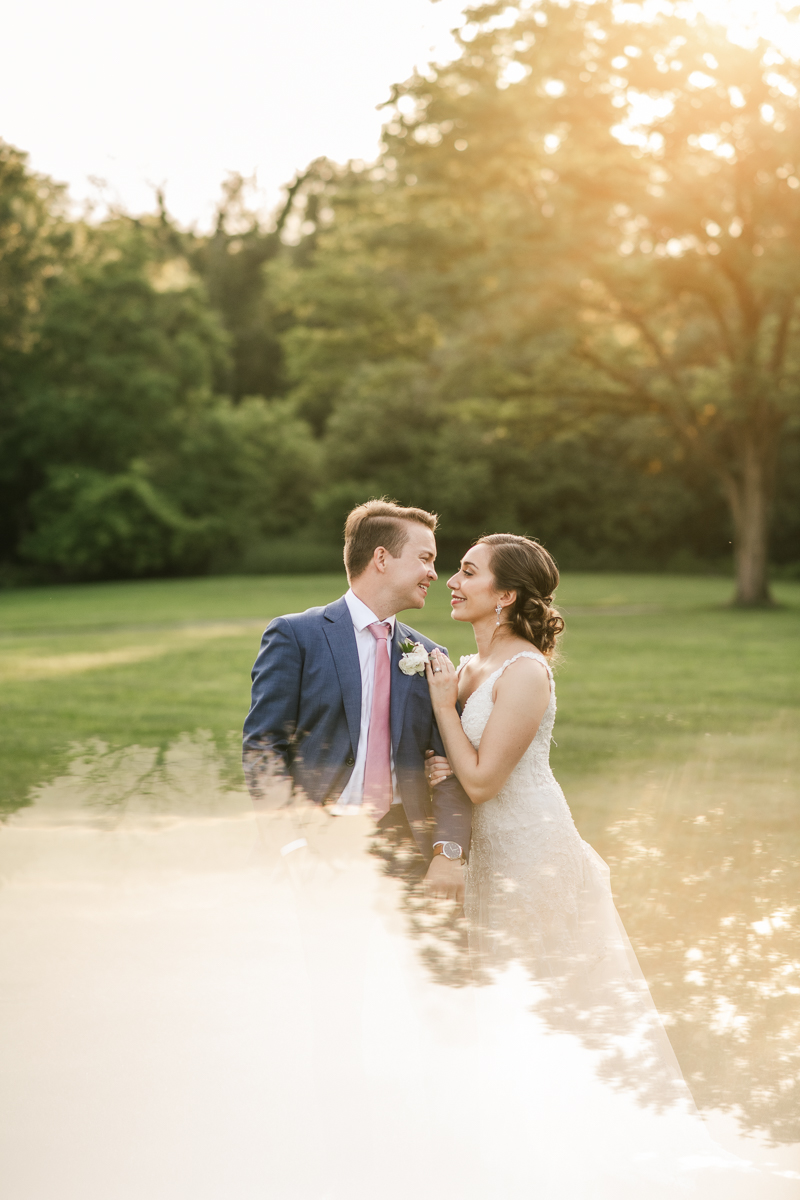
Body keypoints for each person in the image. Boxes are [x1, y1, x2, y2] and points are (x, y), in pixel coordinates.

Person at [243, 498, 472, 899]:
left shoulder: (431, 657)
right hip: (316, 840)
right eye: (425, 558)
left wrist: (448, 852)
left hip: (407, 849)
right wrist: (293, 844)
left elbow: (449, 767)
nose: (435, 574)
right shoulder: (296, 636)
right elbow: (264, 748)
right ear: (381, 558)